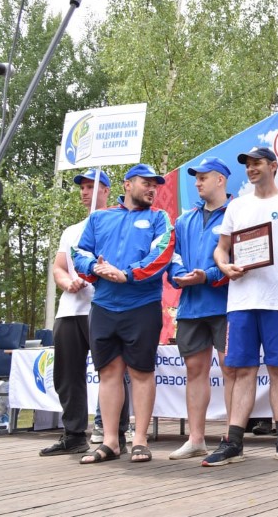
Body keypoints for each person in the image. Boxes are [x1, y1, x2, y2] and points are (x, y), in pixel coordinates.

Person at [202, 146, 278, 466]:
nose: (251, 169)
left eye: (257, 163)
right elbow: (221, 249)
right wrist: (224, 266)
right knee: (241, 370)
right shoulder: (237, 206)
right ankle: (234, 442)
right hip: (241, 300)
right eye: (247, 164)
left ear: (273, 166)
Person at [73, 164, 174, 464]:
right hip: (104, 306)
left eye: (155, 185)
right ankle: (110, 442)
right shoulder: (99, 218)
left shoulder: (159, 218)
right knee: (108, 373)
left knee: (141, 373)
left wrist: (126, 274)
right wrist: (96, 268)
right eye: (146, 183)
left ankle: (140, 440)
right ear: (128, 184)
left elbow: (162, 253)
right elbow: (80, 253)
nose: (152, 189)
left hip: (142, 305)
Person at [40, 169, 119, 456]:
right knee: (67, 374)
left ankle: (114, 435)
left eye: (90, 186)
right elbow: (59, 268)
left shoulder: (117, 224)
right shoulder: (71, 230)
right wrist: (67, 283)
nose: (85, 192)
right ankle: (73, 435)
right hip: (69, 310)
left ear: (106, 190)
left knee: (111, 372)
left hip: (103, 307)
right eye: (82, 187)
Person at [167, 157, 236, 460]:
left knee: (231, 368)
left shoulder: (238, 213)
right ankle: (196, 439)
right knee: (195, 370)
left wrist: (207, 275)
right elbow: (173, 257)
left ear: (220, 179)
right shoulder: (184, 220)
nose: (197, 183)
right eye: (196, 178)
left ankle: (232, 439)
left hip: (226, 304)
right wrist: (179, 276)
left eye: (203, 177)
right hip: (191, 306)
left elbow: (241, 259)